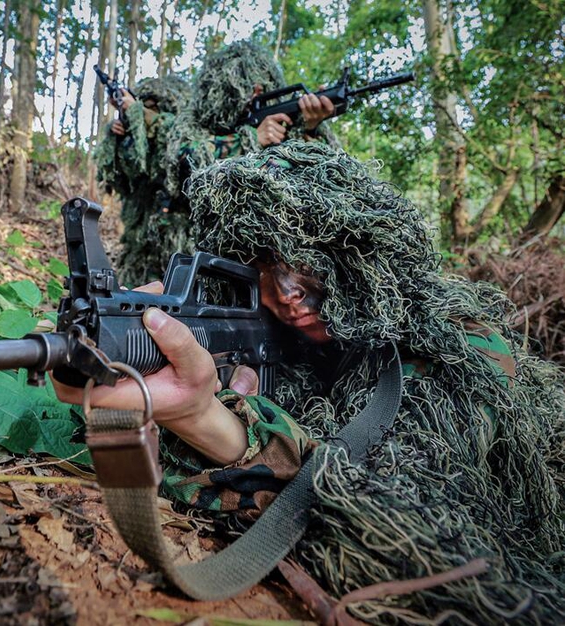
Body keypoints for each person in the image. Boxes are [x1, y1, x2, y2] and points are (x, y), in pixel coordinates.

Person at [54, 141, 565, 622]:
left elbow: (392, 520)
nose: (286, 293)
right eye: (263, 266)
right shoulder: (272, 332)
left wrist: (207, 420)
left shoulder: (462, 349)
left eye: (303, 258)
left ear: (362, 254)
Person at [164, 39, 337, 199]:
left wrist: (309, 128)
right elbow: (181, 161)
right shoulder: (196, 120)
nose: (255, 94)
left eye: (261, 87)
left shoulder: (282, 122)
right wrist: (251, 138)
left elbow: (322, 176)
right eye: (244, 87)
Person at [92, 74, 191, 287]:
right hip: (140, 244)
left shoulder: (183, 135)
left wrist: (140, 114)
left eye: (152, 108)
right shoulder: (137, 139)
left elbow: (177, 151)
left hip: (179, 243)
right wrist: (118, 136)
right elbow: (121, 179)